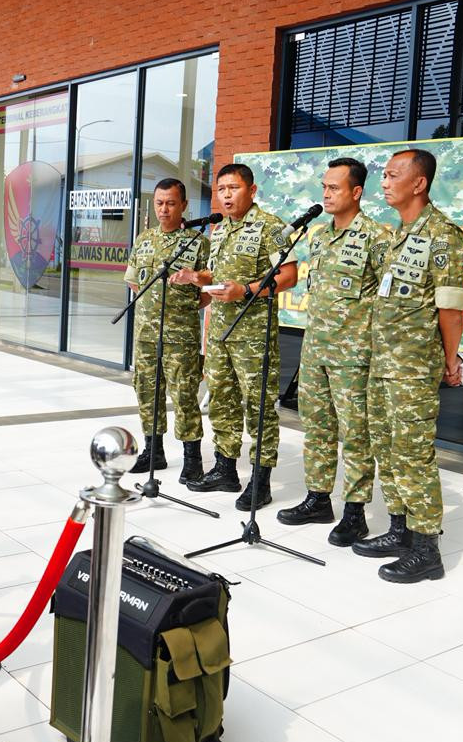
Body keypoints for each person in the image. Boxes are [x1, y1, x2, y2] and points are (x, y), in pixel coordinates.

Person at [351, 149, 463, 583]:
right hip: (383, 363)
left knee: (413, 455)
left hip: (414, 367)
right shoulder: (396, 234)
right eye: (383, 175)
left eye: (393, 175)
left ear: (419, 183)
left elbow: (450, 309)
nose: (384, 182)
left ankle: (426, 548)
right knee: (387, 449)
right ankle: (399, 530)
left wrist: (450, 361)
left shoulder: (442, 234)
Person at [276, 158, 388, 547]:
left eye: (334, 188)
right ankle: (318, 498)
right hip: (315, 351)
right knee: (317, 427)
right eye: (324, 187)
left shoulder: (377, 237)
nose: (326, 194)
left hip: (353, 355)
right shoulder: (319, 236)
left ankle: (355, 512)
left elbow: (388, 299)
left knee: (355, 433)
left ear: (356, 192)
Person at [173, 164, 297, 510]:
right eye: (221, 189)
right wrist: (197, 277)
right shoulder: (221, 229)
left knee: (258, 407)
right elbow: (218, 274)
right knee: (222, 401)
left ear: (252, 191)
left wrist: (245, 290)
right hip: (220, 333)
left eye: (234, 188)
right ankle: (225, 468)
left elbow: (289, 276)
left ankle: (261, 480)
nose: (226, 195)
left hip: (253, 335)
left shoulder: (270, 227)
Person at [124, 179, 211, 482]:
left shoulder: (197, 242)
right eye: (160, 203)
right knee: (147, 391)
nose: (164, 209)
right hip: (145, 334)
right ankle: (154, 452)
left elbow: (208, 290)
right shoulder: (143, 239)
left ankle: (192, 458)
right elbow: (134, 282)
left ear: (184, 205)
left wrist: (180, 308)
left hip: (180, 335)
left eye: (171, 203)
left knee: (184, 394)